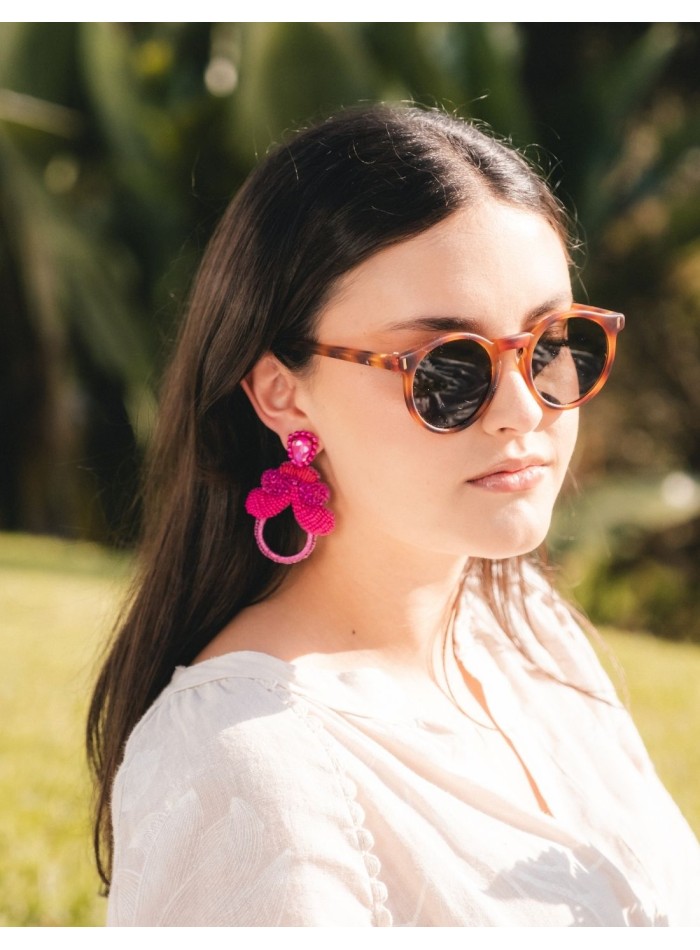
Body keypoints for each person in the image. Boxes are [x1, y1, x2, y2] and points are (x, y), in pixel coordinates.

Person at [88, 104, 700, 927]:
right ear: (282, 392)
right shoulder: (242, 763)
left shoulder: (527, 632)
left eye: (553, 343)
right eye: (448, 368)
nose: (523, 409)